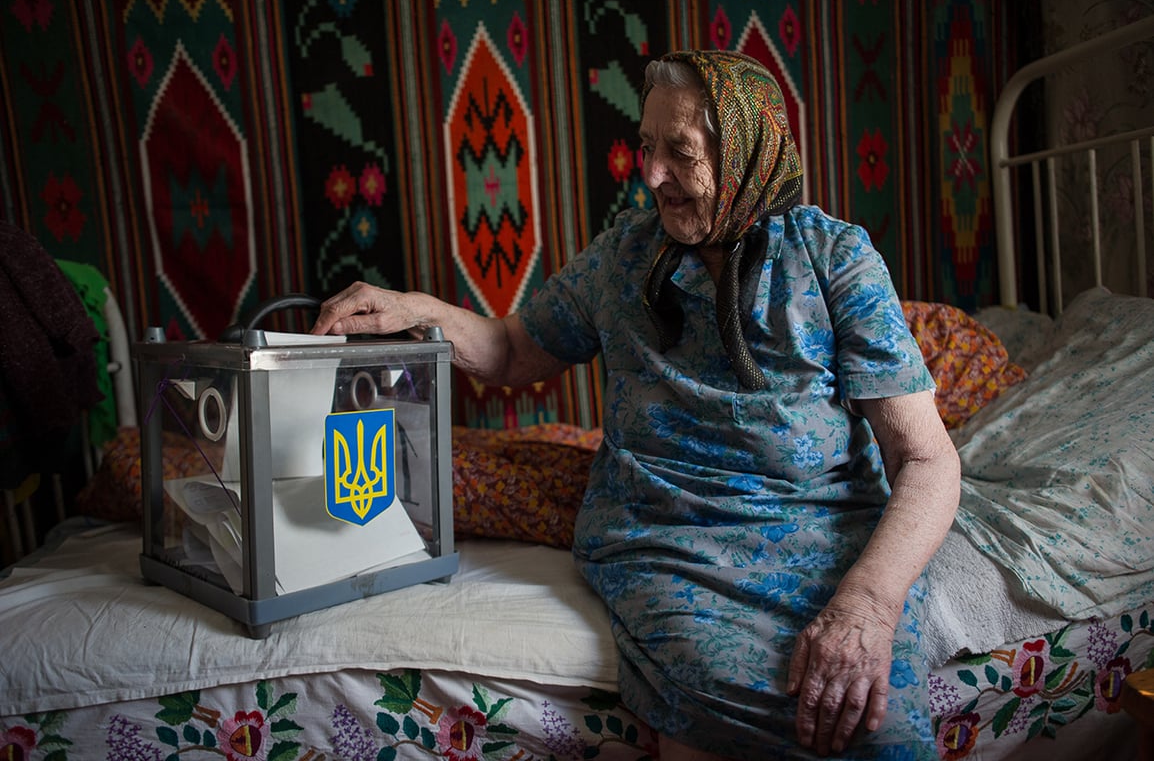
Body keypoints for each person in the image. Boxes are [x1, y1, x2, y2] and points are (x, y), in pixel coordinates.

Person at [312, 50, 960, 760]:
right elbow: (513, 348)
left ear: (747, 152)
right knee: (730, 696)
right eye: (647, 147)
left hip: (826, 538)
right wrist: (416, 309)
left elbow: (926, 461)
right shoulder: (623, 256)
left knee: (877, 728)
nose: (651, 175)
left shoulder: (835, 259)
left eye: (679, 152)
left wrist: (867, 603)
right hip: (668, 543)